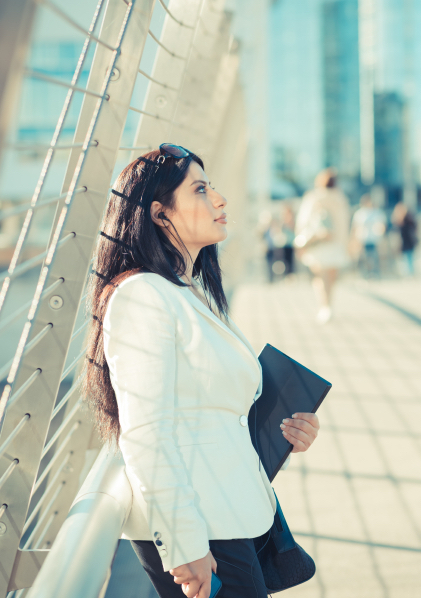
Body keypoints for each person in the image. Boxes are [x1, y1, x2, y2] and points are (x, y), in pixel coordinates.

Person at [81, 144, 320, 598]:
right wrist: (184, 543)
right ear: (158, 213)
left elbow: (212, 412)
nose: (220, 199)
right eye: (200, 190)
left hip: (231, 515)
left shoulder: (191, 293)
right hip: (200, 528)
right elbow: (145, 431)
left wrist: (287, 431)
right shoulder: (142, 297)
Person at [294, 168, 350, 324]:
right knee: (331, 276)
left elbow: (303, 221)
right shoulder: (341, 199)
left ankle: (324, 307)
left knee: (320, 277)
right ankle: (329, 305)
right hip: (336, 244)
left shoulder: (314, 198)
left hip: (318, 244)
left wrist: (301, 241)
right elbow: (345, 224)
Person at [351, 194, 387, 278]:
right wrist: (354, 239)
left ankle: (375, 273)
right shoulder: (360, 214)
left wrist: (381, 235)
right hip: (362, 239)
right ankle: (365, 274)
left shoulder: (377, 212)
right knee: (364, 257)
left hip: (375, 239)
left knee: (375, 257)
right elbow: (355, 227)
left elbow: (382, 225)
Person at [391, 201, 418, 276]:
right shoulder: (396, 220)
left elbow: (414, 227)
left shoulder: (408, 218)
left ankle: (410, 273)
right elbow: (395, 232)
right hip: (402, 242)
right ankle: (406, 274)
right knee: (403, 259)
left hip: (409, 241)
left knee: (410, 258)